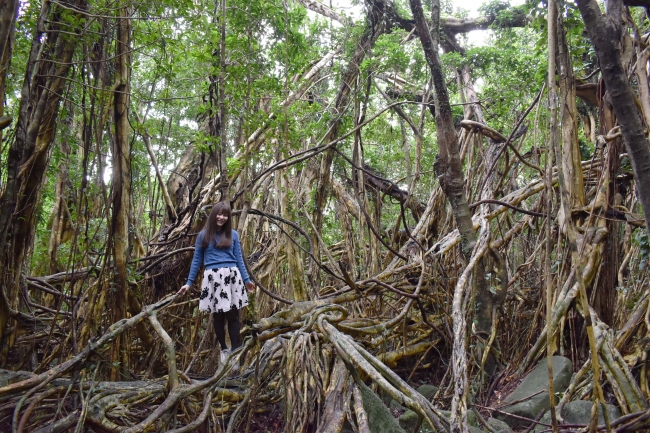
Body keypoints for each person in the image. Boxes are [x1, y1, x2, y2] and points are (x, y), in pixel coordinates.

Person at [178, 201, 255, 363]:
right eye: (219, 214)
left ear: (228, 217)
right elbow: (197, 260)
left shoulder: (233, 234)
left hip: (231, 276)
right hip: (213, 278)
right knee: (218, 317)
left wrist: (247, 280)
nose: (221, 217)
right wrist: (189, 283)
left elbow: (239, 259)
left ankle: (235, 354)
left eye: (225, 215)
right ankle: (224, 351)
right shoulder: (203, 235)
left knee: (233, 317)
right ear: (213, 215)